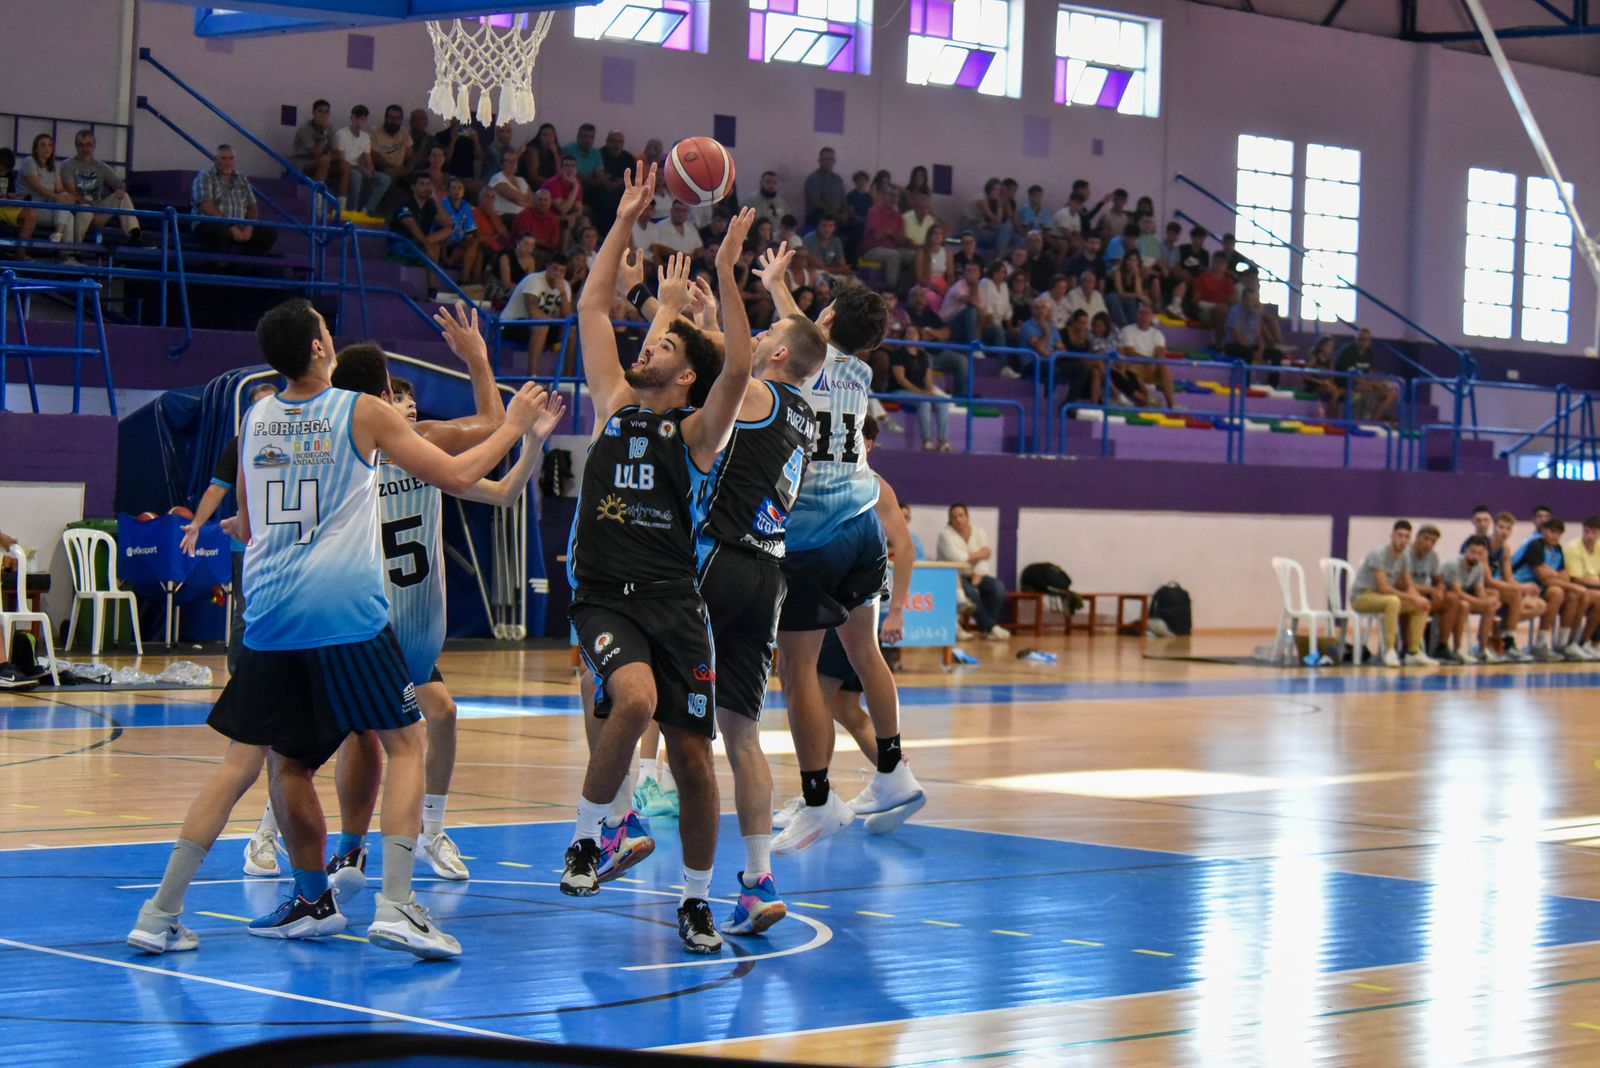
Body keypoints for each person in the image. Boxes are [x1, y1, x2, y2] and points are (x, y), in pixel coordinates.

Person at [126, 298, 552, 961]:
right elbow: (464, 473)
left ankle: (164, 911)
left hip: (267, 616)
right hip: (345, 613)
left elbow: (246, 518)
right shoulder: (362, 411)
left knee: (258, 764)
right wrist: (518, 424)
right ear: (320, 349)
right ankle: (397, 906)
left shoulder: (256, 418)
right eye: (326, 330)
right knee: (408, 742)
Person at [304, 311, 563, 900]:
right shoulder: (393, 447)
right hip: (373, 616)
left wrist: (528, 440)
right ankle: (354, 860)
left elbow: (500, 488)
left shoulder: (399, 449)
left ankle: (414, 835)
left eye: (411, 402)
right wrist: (477, 359)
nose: (407, 410)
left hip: (406, 620)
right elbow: (493, 424)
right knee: (367, 738)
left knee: (426, 717)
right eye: (395, 398)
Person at [560, 162, 747, 956]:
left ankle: (697, 898)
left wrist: (730, 276)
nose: (647, 341)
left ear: (688, 377)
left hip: (676, 602)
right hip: (607, 594)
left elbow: (737, 365)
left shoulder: (699, 432)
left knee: (696, 762)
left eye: (663, 341)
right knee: (630, 702)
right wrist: (625, 217)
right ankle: (586, 836)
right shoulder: (613, 403)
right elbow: (591, 305)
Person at [624, 222, 828, 936]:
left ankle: (626, 824)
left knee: (644, 687)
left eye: (764, 335)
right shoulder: (804, 411)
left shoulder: (757, 390)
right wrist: (713, 319)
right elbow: (744, 361)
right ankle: (759, 878)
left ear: (772, 352)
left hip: (715, 559)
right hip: (770, 575)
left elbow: (731, 369)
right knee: (743, 735)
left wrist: (720, 279)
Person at [759, 243, 926, 855]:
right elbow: (809, 332)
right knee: (865, 652)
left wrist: (777, 285)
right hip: (861, 526)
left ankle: (818, 796)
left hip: (811, 532)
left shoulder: (797, 361)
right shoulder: (860, 372)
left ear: (823, 321)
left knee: (796, 670)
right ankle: (893, 771)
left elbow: (798, 337)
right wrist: (783, 292)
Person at [1349, 521, 1433, 667]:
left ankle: (1412, 652)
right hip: (1363, 597)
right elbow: (1383, 588)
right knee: (1393, 601)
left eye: (1407, 537)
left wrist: (1418, 599)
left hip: (1385, 598)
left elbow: (1409, 584)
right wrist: (1412, 597)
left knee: (1422, 605)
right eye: (1400, 536)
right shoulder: (1378, 553)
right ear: (1392, 536)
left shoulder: (1404, 557)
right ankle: (1389, 651)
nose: (1403, 540)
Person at [1511, 518, 1595, 661]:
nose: (1555, 536)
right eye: (1552, 532)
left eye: (1558, 533)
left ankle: (1563, 643)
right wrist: (1573, 585)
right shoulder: (1536, 545)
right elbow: (1544, 577)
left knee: (1573, 596)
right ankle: (1541, 644)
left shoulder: (1557, 549)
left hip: (1539, 588)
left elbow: (1565, 576)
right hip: (1522, 586)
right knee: (1557, 592)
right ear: (1543, 531)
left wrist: (1556, 575)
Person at [938, 504, 1009, 640]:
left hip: (976, 574)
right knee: (970, 593)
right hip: (954, 576)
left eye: (961, 516)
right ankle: (990, 627)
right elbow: (959, 558)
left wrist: (978, 573)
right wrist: (980, 554)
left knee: (997, 587)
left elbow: (985, 557)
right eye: (954, 517)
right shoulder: (945, 535)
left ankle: (986, 630)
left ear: (967, 517)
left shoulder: (979, 532)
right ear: (950, 520)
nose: (958, 520)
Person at [192, 145, 277, 255]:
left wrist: (249, 227)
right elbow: (206, 206)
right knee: (221, 233)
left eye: (231, 158)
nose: (228, 162)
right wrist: (230, 225)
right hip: (210, 224)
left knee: (268, 235)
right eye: (223, 158)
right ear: (215, 160)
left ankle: (243, 267)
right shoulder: (205, 176)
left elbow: (252, 208)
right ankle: (216, 267)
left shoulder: (242, 178)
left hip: (240, 226)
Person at [59, 129, 139, 244]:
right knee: (85, 210)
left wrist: (120, 189)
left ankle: (134, 234)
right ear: (76, 147)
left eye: (89, 145)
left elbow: (119, 183)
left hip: (98, 210)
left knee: (123, 196)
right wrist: (91, 206)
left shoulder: (101, 166)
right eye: (81, 145)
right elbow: (72, 192)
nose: (85, 149)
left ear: (94, 146)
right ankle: (76, 249)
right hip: (77, 210)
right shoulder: (67, 165)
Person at [1483, 510, 1543, 662]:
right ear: (1494, 527)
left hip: (1493, 587)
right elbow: (1487, 580)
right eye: (1501, 527)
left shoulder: (1505, 549)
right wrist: (1521, 588)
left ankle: (1505, 638)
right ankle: (1494, 641)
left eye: (1508, 528)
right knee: (1509, 595)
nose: (1504, 531)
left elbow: (1508, 578)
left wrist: (1525, 587)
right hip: (1476, 586)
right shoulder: (1484, 545)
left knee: (1534, 603)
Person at [506, 252, 573, 376]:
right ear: (547, 266)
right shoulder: (534, 280)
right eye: (554, 269)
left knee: (572, 330)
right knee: (541, 327)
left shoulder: (565, 286)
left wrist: (563, 294)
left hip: (543, 325)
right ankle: (532, 377)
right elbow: (534, 314)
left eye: (562, 271)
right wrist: (556, 320)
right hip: (512, 324)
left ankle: (567, 378)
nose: (557, 273)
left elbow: (568, 317)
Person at [1437, 536, 1501, 664]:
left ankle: (1482, 649)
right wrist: (1481, 602)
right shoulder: (1453, 564)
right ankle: (1457, 649)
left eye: (1480, 553)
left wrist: (1488, 601)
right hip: (1445, 598)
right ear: (1465, 550)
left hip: (1462, 597)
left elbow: (1480, 590)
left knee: (1490, 606)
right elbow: (1457, 592)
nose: (1475, 556)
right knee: (1464, 605)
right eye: (1473, 552)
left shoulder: (1479, 566)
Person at [889, 326, 949, 451]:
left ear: (919, 337)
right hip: (898, 391)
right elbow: (901, 379)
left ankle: (943, 442)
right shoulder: (898, 354)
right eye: (908, 332)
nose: (910, 335)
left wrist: (931, 393)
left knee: (942, 402)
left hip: (920, 392)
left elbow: (928, 381)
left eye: (914, 333)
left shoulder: (924, 356)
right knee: (924, 402)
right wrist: (921, 393)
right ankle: (926, 441)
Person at [1403, 525, 1452, 662]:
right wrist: (1432, 590)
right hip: (1406, 594)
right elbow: (1407, 585)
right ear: (1417, 537)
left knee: (1453, 600)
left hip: (1424, 594)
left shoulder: (1433, 556)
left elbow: (1438, 580)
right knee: (1415, 603)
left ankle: (1442, 646)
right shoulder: (1406, 554)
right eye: (1426, 539)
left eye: (1433, 541)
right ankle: (1407, 647)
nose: (1429, 544)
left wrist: (1441, 589)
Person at [332, 105, 391, 215]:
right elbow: (341, 160)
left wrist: (370, 171)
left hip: (356, 167)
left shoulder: (365, 137)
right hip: (341, 167)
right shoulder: (341, 134)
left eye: (363, 118)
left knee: (385, 179)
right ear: (352, 118)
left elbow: (368, 159)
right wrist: (361, 169)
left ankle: (366, 210)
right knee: (357, 175)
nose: (360, 121)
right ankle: (352, 209)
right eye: (357, 118)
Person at [19, 133, 77, 245]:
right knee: (67, 215)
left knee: (68, 214)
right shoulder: (29, 161)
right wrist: (59, 198)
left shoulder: (53, 166)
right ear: (35, 148)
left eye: (50, 145)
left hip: (47, 206)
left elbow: (59, 189)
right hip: (30, 206)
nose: (47, 148)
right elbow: (38, 187)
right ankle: (65, 254)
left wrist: (68, 196)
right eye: (43, 145)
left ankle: (61, 243)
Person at [390, 174, 452, 265]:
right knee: (433, 247)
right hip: (402, 242)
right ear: (413, 188)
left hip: (420, 241)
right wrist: (427, 245)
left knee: (448, 230)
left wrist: (436, 199)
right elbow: (412, 227)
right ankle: (427, 244)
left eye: (428, 184)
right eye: (422, 184)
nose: (426, 188)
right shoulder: (405, 203)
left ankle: (431, 280)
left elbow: (449, 224)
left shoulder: (429, 206)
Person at [1565, 516, 1600, 655]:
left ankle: (1589, 642)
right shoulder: (1573, 548)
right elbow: (1577, 579)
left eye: (1594, 533)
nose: (1590, 536)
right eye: (1587, 532)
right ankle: (1573, 641)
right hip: (1577, 587)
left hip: (1595, 587)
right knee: (1588, 597)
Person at [289, 99, 335, 184]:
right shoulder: (305, 129)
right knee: (324, 161)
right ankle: (317, 195)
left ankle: (342, 197)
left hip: (320, 160)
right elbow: (316, 154)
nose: (323, 115)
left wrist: (331, 157)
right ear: (313, 113)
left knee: (344, 165)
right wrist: (324, 133)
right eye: (320, 111)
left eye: (326, 112)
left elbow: (335, 151)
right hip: (301, 162)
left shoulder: (331, 128)